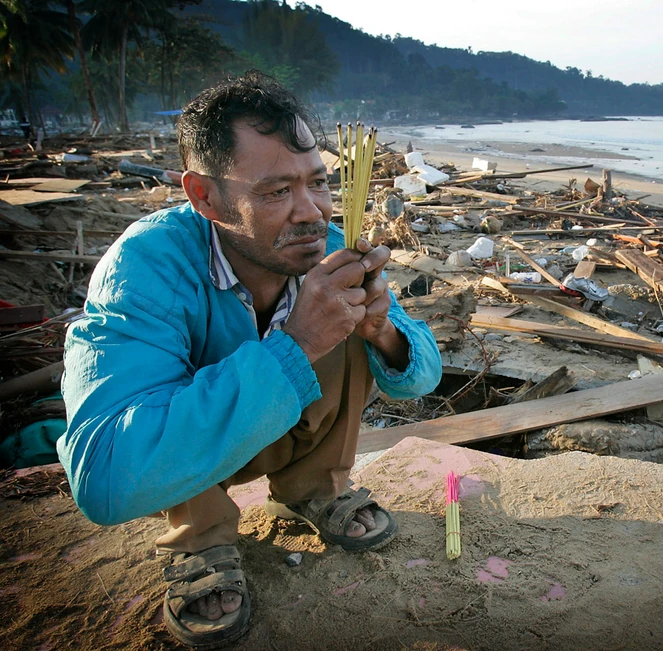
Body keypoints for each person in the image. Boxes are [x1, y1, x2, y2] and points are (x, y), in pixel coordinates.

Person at [57, 71, 442, 649]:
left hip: (282, 428)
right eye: (276, 192)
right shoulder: (144, 268)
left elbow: (423, 377)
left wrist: (382, 330)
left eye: (318, 183)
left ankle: (316, 485)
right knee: (192, 367)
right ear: (204, 197)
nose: (311, 212)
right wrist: (297, 344)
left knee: (348, 317)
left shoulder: (330, 244)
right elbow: (107, 479)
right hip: (194, 460)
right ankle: (200, 534)